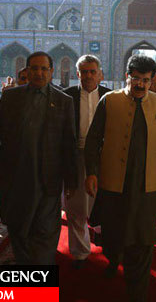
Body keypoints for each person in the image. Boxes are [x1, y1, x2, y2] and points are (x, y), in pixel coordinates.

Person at [84, 55, 156, 302]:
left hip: (147, 186)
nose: (140, 85)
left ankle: (137, 294)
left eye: (146, 80)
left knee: (143, 240)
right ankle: (114, 258)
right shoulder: (109, 101)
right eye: (136, 79)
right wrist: (92, 172)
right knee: (113, 237)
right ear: (127, 77)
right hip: (114, 183)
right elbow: (93, 140)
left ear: (152, 80)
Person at [0, 51, 77, 264]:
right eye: (34, 68)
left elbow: (68, 143)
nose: (39, 73)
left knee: (45, 233)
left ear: (51, 72)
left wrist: (71, 180)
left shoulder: (64, 101)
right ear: (27, 70)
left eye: (44, 69)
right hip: (15, 177)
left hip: (48, 179)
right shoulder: (11, 97)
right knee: (18, 228)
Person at [63, 55, 111, 269]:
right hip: (75, 157)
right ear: (78, 74)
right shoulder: (67, 96)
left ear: (100, 74)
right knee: (75, 206)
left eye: (93, 72)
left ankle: (104, 239)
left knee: (104, 201)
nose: (88, 76)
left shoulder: (111, 97)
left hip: (104, 158)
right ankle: (80, 253)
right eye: (84, 72)